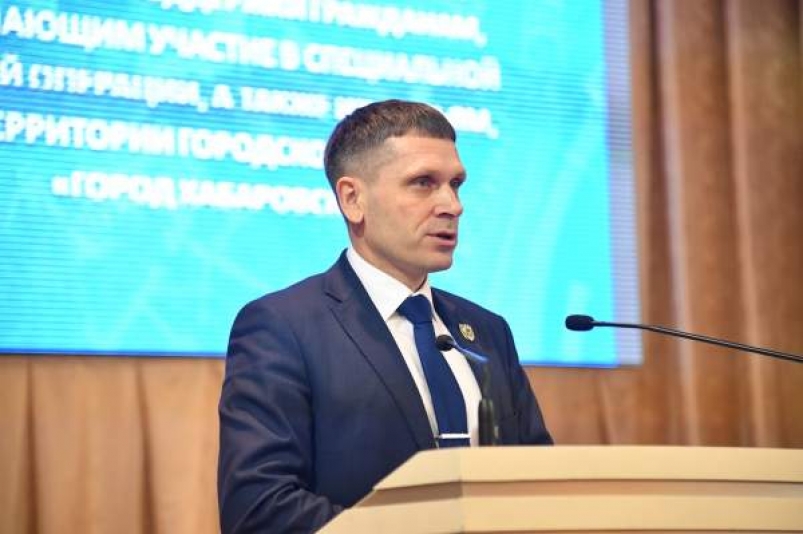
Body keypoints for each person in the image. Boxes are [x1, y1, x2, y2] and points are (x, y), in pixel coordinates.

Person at [217, 99, 552, 533]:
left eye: (456, 184)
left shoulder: (488, 331)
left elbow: (538, 482)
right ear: (353, 199)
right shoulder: (283, 327)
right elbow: (259, 508)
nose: (452, 205)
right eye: (423, 183)